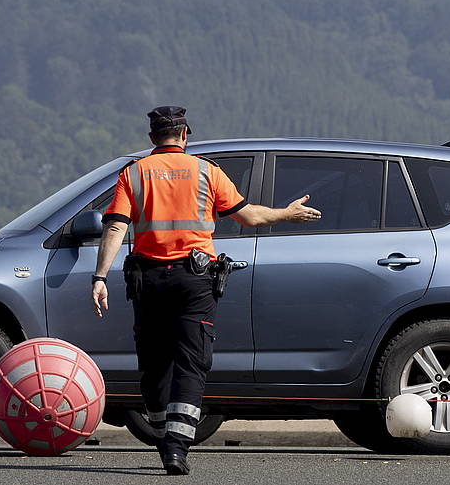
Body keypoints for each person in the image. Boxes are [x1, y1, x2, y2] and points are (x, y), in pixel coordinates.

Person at [90, 106, 320, 475]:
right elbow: (251, 217)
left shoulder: (133, 174)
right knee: (192, 362)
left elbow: (115, 229)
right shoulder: (206, 172)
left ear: (153, 138)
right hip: (194, 281)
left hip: (148, 281)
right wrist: (287, 213)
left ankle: (164, 433)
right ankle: (176, 448)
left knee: (153, 364)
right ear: (184, 135)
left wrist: (100, 277)